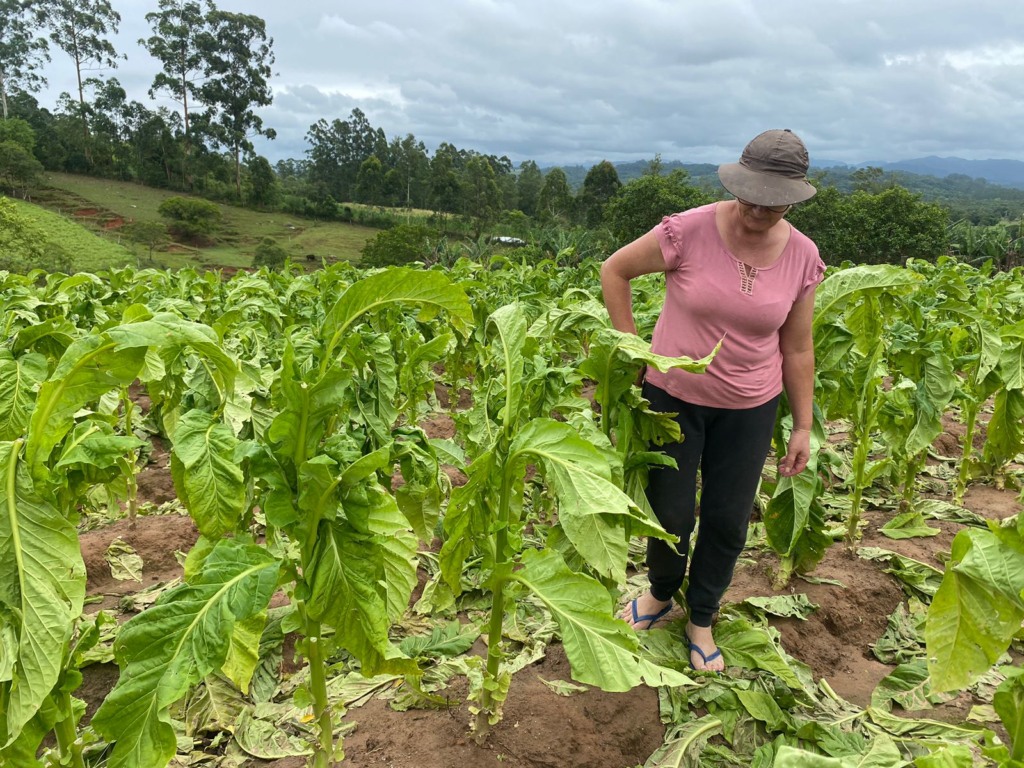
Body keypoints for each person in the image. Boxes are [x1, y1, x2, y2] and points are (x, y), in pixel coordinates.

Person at [600, 129, 825, 672]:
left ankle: (701, 616)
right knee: (670, 513)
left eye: (772, 201)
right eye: (749, 194)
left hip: (750, 406)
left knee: (727, 519)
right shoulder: (689, 230)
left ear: (793, 197)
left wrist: (801, 426)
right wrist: (633, 350)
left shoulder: (801, 255)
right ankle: (658, 594)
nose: (757, 208)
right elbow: (616, 271)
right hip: (672, 397)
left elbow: (796, 347)